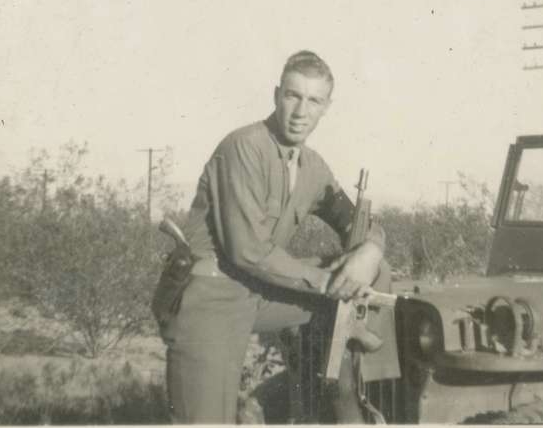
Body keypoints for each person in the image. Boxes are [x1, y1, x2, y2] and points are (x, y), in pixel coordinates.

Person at [156, 50, 392, 423]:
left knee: (375, 271)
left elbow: (358, 221)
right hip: (212, 296)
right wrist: (331, 282)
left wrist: (371, 250)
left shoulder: (313, 166)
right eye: (292, 96)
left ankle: (336, 393)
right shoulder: (244, 147)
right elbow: (247, 252)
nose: (301, 111)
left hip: (258, 293)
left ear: (326, 107)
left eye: (314, 100)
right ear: (276, 95)